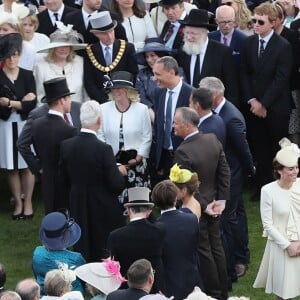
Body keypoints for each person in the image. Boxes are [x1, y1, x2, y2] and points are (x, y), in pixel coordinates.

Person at [199, 77, 254, 283]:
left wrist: (249, 171)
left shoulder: (231, 116)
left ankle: (237, 260)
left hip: (232, 175)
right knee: (236, 217)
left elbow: (243, 149)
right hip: (227, 174)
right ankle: (241, 256)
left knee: (230, 219)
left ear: (214, 95)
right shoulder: (220, 112)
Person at [173, 107, 230, 300]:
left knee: (205, 250)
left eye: (175, 122)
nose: (173, 126)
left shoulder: (183, 151)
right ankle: (223, 288)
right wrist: (220, 200)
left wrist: (205, 206)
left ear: (187, 125)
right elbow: (224, 171)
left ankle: (213, 292)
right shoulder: (212, 139)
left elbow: (186, 186)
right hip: (214, 204)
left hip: (197, 207)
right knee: (217, 247)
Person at [59, 100, 126, 261]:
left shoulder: (66, 146)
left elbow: (63, 177)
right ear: (99, 120)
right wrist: (120, 171)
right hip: (101, 204)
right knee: (102, 246)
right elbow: (116, 184)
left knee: (82, 243)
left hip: (77, 201)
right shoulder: (103, 149)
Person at [240, 2, 293, 199]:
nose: (255, 25)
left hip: (276, 108)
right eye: (254, 20)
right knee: (258, 147)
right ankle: (261, 186)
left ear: (272, 23)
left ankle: (281, 187)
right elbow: (244, 74)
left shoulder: (283, 46)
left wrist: (264, 104)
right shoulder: (249, 43)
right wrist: (253, 100)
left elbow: (281, 79)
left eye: (260, 22)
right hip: (254, 107)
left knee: (276, 148)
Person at [20, 77, 77, 214]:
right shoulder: (69, 130)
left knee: (51, 215)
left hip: (47, 178)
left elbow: (23, 145)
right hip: (66, 182)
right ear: (62, 100)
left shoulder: (37, 124)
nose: (70, 102)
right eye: (68, 98)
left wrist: (38, 167)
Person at [253, 137, 300, 300]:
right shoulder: (268, 191)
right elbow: (267, 224)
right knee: (283, 293)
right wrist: (288, 246)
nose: (295, 171)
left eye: (296, 167)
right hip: (282, 247)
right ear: (279, 170)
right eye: (290, 169)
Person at [98, 71, 152, 204]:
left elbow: (147, 136)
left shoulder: (142, 109)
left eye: (120, 88)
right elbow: (100, 135)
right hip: (112, 161)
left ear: (129, 90)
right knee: (114, 202)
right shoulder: (103, 108)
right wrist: (111, 161)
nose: (116, 91)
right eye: (114, 88)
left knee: (139, 202)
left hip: (137, 162)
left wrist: (138, 157)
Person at [0, 33, 36, 220]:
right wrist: (21, 102)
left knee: (27, 165)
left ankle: (28, 201)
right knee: (12, 167)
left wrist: (11, 103)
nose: (12, 59)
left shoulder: (28, 75)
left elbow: (32, 104)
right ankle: (18, 202)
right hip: (5, 126)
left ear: (20, 55)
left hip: (25, 125)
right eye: (8, 56)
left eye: (15, 54)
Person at [176, 9, 239, 107]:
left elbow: (232, 88)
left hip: (212, 109)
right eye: (187, 33)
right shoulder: (183, 50)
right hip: (189, 108)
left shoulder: (222, 52)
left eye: (193, 33)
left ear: (205, 33)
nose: (189, 37)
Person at [107, 187, 165, 293]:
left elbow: (113, 268)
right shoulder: (159, 233)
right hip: (153, 290)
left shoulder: (115, 236)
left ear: (129, 211)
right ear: (148, 212)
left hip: (126, 291)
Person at [152, 180, 201, 300]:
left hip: (169, 286)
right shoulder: (191, 220)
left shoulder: (155, 228)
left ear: (156, 203)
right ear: (175, 198)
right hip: (192, 281)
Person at [84, 11, 138, 103]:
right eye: (104, 33)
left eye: (111, 31)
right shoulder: (90, 51)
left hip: (124, 98)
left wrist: (123, 97)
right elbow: (89, 83)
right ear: (96, 34)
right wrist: (104, 101)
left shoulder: (127, 48)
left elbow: (133, 74)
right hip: (100, 102)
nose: (109, 36)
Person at [152, 56, 192, 180]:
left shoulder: (191, 94)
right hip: (163, 155)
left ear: (172, 73)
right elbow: (159, 124)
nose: (155, 78)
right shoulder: (159, 92)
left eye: (158, 74)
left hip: (184, 155)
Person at [32, 211, 85, 295]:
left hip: (44, 294)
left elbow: (36, 274)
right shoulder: (75, 258)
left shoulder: (37, 252)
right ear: (67, 235)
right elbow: (83, 280)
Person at [35, 22, 88, 104]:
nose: (63, 49)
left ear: (71, 48)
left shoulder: (80, 62)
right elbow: (40, 96)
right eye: (60, 46)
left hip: (78, 111)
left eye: (66, 46)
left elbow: (86, 92)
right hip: (52, 113)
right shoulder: (41, 66)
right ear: (53, 48)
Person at [134, 37, 184, 121]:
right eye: (147, 57)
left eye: (152, 55)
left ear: (162, 55)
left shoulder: (177, 71)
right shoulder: (142, 74)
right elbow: (141, 98)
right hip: (150, 117)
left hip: (177, 117)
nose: (149, 60)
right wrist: (156, 119)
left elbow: (182, 94)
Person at [273, 2, 300, 146]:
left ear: (281, 18)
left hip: (290, 88)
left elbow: (294, 63)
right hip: (273, 90)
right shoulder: (263, 36)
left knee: (293, 128)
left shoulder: (292, 34)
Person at [0, 4, 36, 71]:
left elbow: (24, 72)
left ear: (16, 30)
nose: (1, 33)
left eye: (5, 30)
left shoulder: (28, 48)